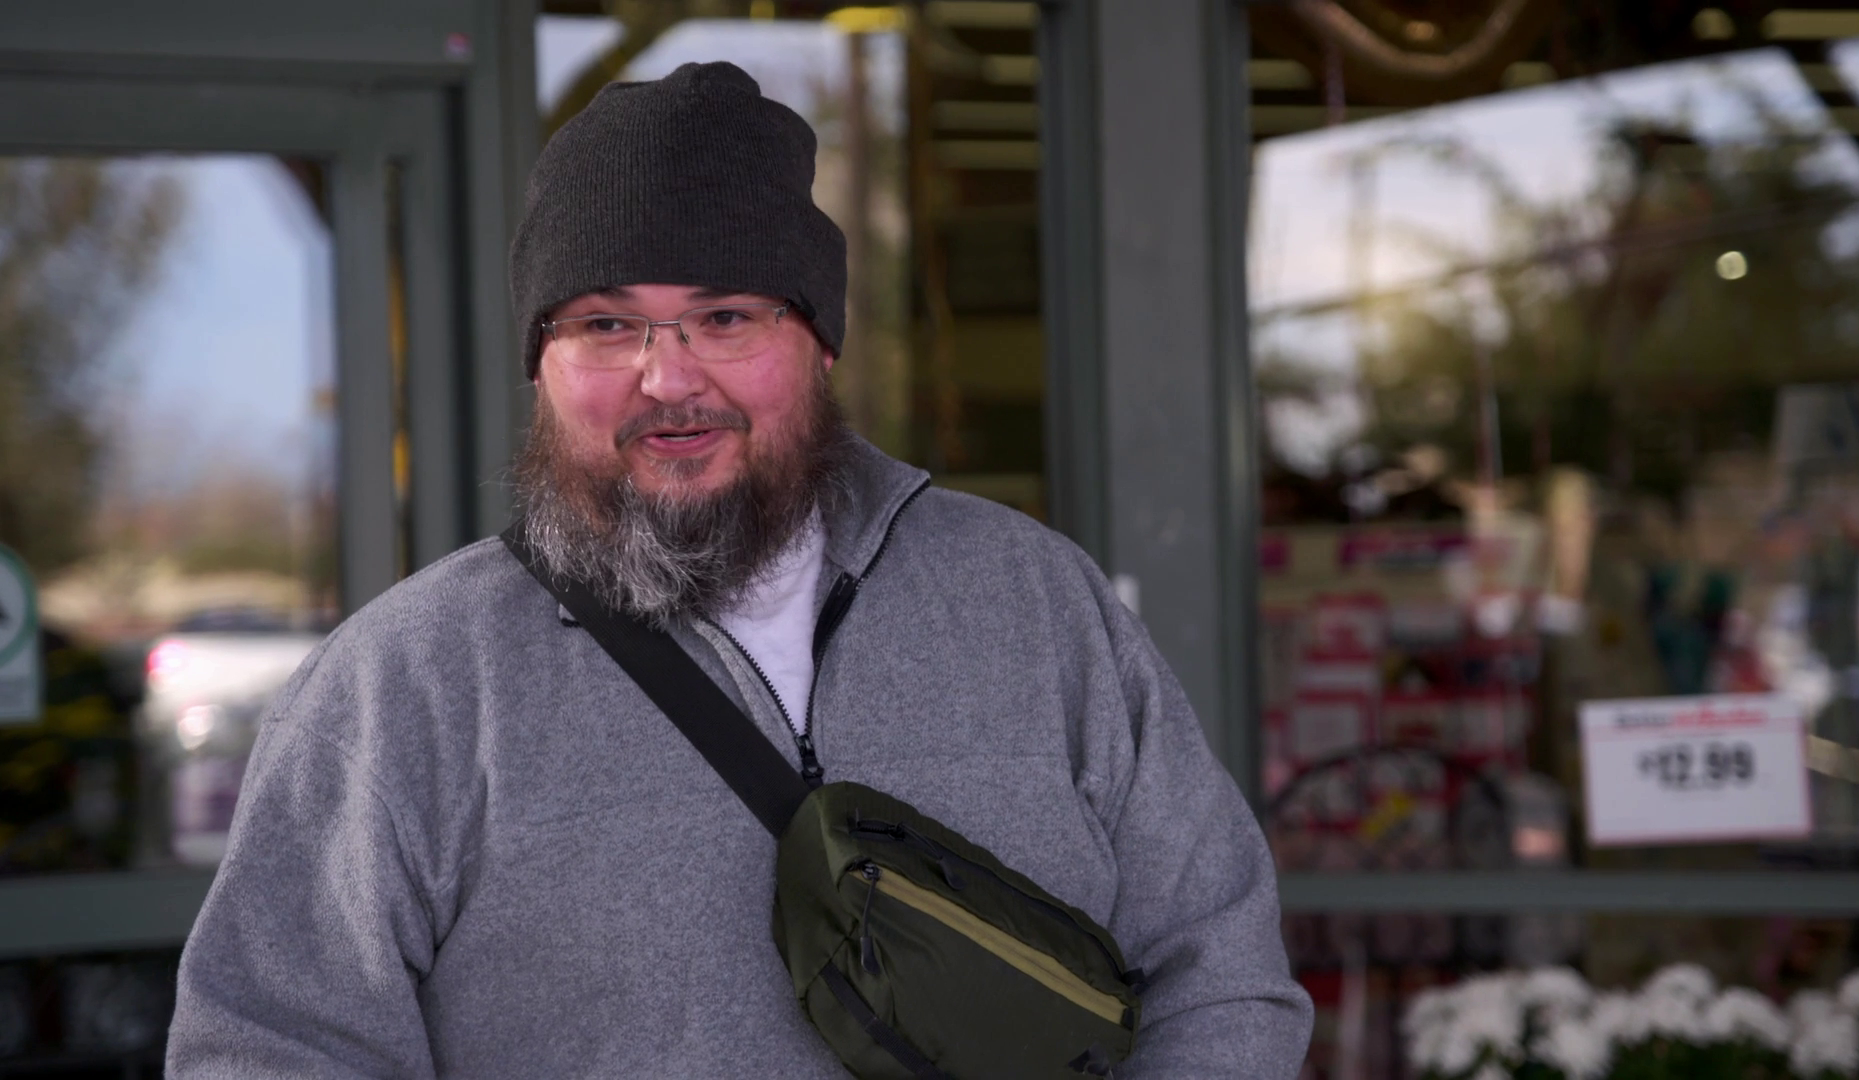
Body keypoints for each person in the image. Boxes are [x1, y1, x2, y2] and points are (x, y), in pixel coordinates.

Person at [168, 61, 1312, 1078]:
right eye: (606, 325)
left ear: (819, 343)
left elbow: (1218, 971)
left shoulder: (1033, 605)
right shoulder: (404, 685)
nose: (668, 378)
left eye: (723, 317)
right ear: (540, 364)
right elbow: (269, 1050)